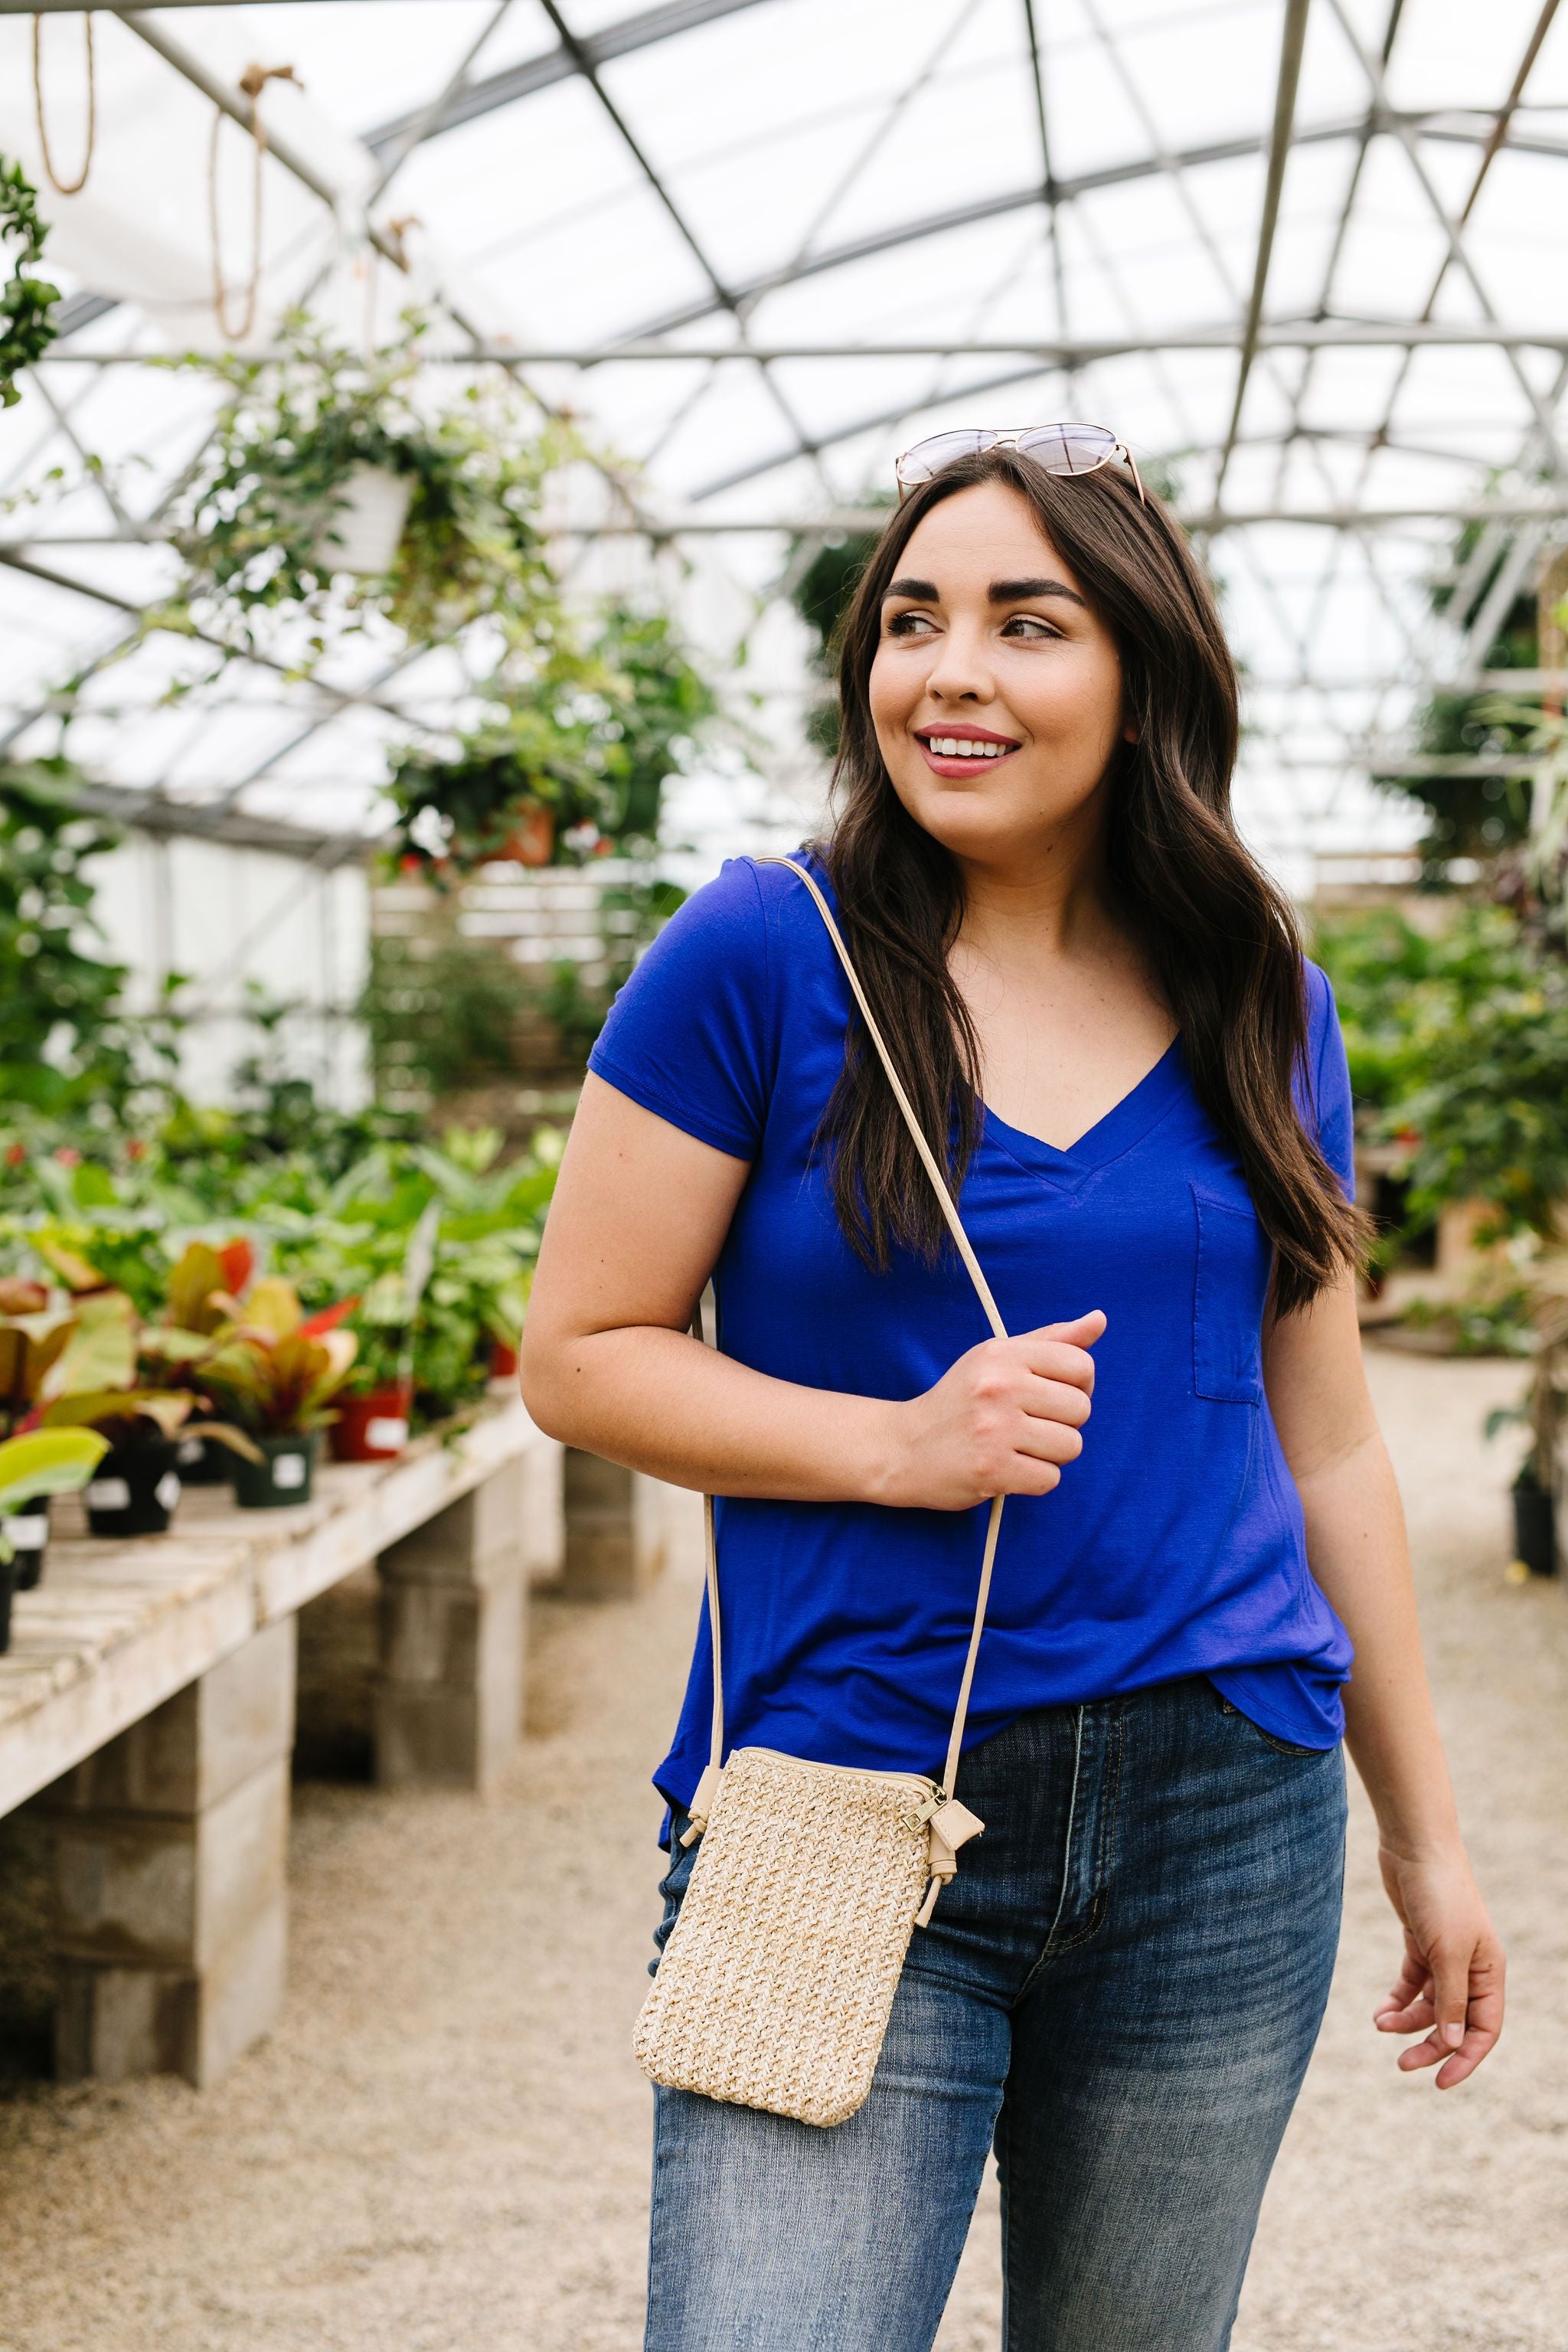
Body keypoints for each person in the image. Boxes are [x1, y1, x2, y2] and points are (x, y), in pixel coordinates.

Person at [520, 431, 1506, 2352]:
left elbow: (1328, 1439)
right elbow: (579, 1354)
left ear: (1143, 674)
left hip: (1225, 1820)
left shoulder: (1256, 993)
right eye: (911, 621)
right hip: (843, 1791)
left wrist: (1424, 1834)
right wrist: (891, 1447)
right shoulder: (759, 954)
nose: (947, 672)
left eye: (1023, 623)